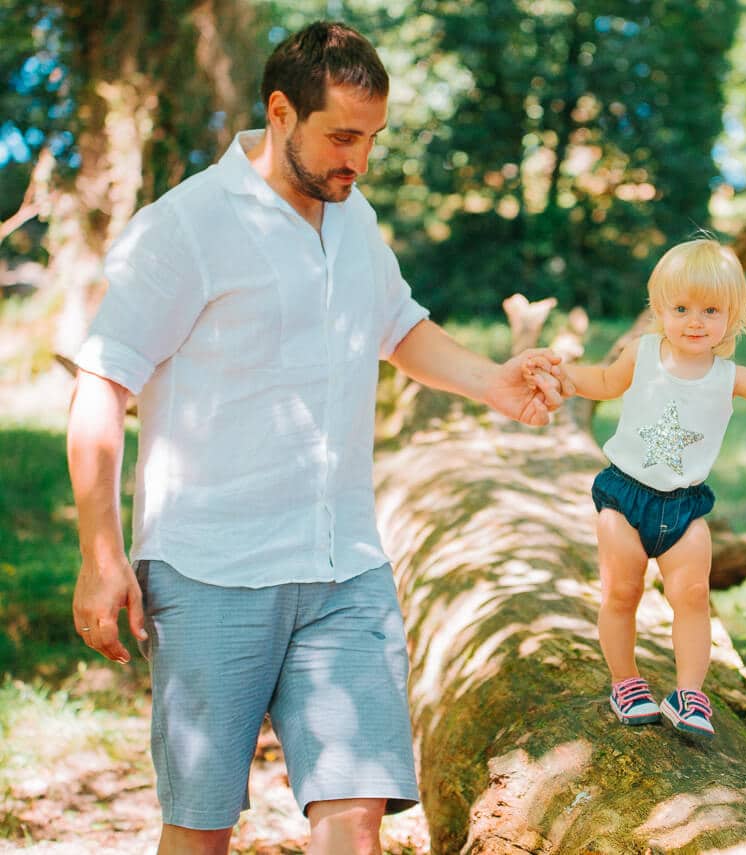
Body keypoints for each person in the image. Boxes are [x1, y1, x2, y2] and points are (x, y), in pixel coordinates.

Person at [66, 21, 569, 855]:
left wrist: (491, 380)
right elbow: (100, 383)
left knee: (354, 813)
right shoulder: (186, 224)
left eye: (371, 139)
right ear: (279, 111)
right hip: (212, 565)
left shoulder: (351, 213)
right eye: (342, 136)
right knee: (200, 826)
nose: (359, 161)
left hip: (346, 569)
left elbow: (397, 326)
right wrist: (100, 550)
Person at [561, 237, 746, 740]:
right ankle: (625, 682)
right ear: (659, 309)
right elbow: (605, 381)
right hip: (624, 496)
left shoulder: (727, 376)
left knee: (692, 594)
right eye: (681, 308)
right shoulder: (644, 353)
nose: (695, 321)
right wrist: (561, 376)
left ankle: (689, 693)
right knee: (622, 591)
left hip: (683, 507)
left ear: (732, 316)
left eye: (710, 310)